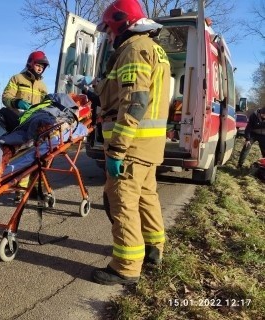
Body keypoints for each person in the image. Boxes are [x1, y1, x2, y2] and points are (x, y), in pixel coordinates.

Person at [90, 0, 170, 286]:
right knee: (147, 198)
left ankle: (125, 267)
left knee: (122, 202)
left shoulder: (133, 50)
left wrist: (118, 148)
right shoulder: (153, 49)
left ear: (121, 25)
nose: (109, 37)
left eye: (109, 32)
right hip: (148, 147)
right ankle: (153, 249)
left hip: (132, 147)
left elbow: (135, 102)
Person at [2, 51, 50, 200]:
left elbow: (46, 105)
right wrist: (16, 102)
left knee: (37, 155)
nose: (40, 68)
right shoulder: (17, 78)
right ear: (30, 63)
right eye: (38, 64)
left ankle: (34, 188)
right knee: (20, 155)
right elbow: (6, 97)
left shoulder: (42, 86)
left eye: (43, 66)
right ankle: (19, 189)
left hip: (35, 124)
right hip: (17, 121)